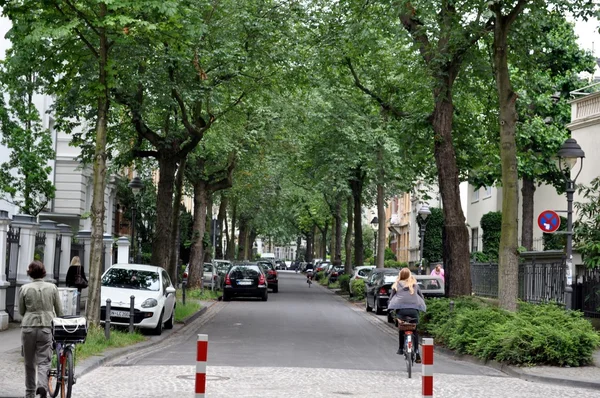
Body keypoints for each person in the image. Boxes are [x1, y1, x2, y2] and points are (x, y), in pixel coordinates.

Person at [19, 261, 63, 398]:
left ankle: (30, 393)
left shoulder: (24, 288)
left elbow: (21, 311)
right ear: (43, 272)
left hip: (28, 327)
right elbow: (60, 311)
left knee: (29, 361)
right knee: (44, 360)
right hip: (46, 327)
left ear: (30, 273)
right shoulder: (52, 287)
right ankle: (42, 386)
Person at [387, 267, 427, 363]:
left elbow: (391, 298)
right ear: (410, 275)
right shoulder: (415, 285)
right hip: (414, 311)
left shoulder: (396, 285)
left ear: (400, 275)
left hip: (401, 311)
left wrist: (390, 308)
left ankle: (401, 348)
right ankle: (417, 351)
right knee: (415, 330)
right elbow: (421, 297)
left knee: (402, 329)